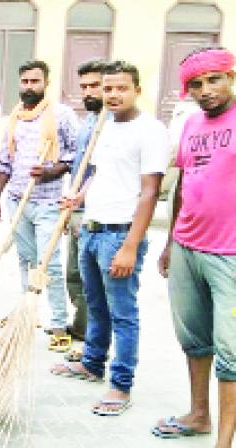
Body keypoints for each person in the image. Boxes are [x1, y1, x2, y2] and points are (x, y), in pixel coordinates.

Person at [51, 61, 168, 417]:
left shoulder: (150, 131)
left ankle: (120, 385)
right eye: (108, 88)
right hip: (91, 229)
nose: (113, 95)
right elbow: (99, 172)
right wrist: (78, 197)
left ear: (137, 90)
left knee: (123, 314)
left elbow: (150, 193)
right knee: (95, 305)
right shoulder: (106, 124)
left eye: (121, 88)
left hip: (119, 235)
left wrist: (131, 246)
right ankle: (92, 362)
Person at [152, 47, 236, 446]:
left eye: (214, 79)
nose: (205, 90)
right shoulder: (192, 126)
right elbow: (183, 187)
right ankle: (199, 414)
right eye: (196, 85)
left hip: (230, 255)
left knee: (231, 351)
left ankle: (224, 441)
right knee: (194, 338)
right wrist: (170, 243)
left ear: (231, 77)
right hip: (187, 247)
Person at [0, 60, 78, 350]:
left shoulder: (62, 115)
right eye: (25, 81)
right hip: (17, 201)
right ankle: (27, 315)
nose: (29, 87)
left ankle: (58, 323)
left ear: (46, 83)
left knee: (48, 263)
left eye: (35, 82)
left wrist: (51, 172)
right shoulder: (14, 117)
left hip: (48, 202)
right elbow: (4, 162)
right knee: (26, 261)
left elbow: (74, 157)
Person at [63, 58, 107, 362]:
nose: (88, 92)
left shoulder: (111, 121)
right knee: (74, 275)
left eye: (95, 86)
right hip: (77, 206)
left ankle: (92, 343)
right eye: (84, 87)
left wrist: (82, 200)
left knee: (93, 282)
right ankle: (80, 328)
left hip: (98, 212)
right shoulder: (89, 119)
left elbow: (103, 171)